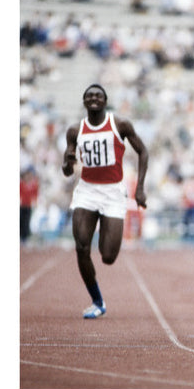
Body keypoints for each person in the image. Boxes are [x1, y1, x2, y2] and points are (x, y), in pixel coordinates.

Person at [62, 83, 149, 319]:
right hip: (87, 192)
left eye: (98, 95)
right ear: (84, 101)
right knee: (81, 247)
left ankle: (103, 227)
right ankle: (97, 301)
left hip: (113, 193)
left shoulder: (120, 124)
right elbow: (67, 171)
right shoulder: (75, 131)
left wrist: (140, 188)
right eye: (89, 95)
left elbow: (143, 151)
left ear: (105, 101)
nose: (94, 98)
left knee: (108, 257)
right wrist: (68, 162)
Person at [20, 167, 40, 244]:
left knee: (26, 221)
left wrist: (35, 202)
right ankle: (21, 236)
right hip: (22, 205)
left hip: (28, 205)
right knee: (21, 221)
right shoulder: (21, 184)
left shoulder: (33, 185)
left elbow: (35, 195)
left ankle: (25, 237)